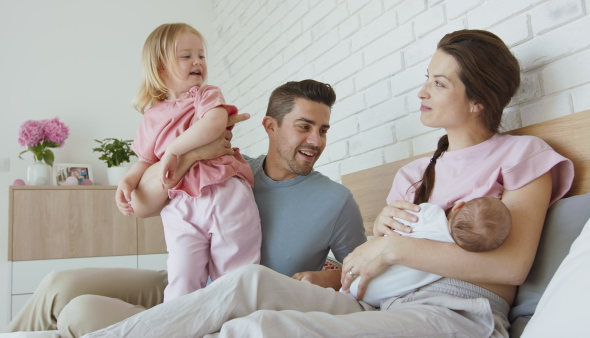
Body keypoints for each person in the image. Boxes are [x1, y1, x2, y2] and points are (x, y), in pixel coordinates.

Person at [83, 29, 574, 338]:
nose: (422, 91)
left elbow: (511, 265)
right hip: (377, 299)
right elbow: (371, 263)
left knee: (263, 328)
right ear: (270, 128)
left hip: (456, 314)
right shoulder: (412, 174)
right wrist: (346, 270)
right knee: (248, 283)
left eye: (439, 83)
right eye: (427, 77)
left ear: (478, 100)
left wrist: (390, 250)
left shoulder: (523, 155)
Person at [5, 79, 366, 338]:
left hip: (220, 306)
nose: (316, 141)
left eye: (323, 130)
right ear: (270, 126)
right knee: (60, 283)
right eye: (305, 127)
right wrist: (191, 153)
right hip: (182, 279)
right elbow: (143, 204)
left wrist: (328, 277)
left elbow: (367, 276)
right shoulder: (231, 167)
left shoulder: (336, 200)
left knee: (80, 312)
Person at [118, 23, 261, 301]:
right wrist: (127, 181)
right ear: (160, 68)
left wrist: (174, 148)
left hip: (224, 192)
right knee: (181, 280)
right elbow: (144, 161)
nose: (197, 62)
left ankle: (234, 323)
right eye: (186, 56)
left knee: (235, 276)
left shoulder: (205, 95)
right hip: (179, 204)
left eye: (201, 55)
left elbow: (215, 123)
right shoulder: (151, 116)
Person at [349, 196, 512, 307]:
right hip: (376, 297)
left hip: (357, 275)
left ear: (458, 206)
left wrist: (383, 236)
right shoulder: (446, 263)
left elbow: (392, 225)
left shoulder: (430, 212)